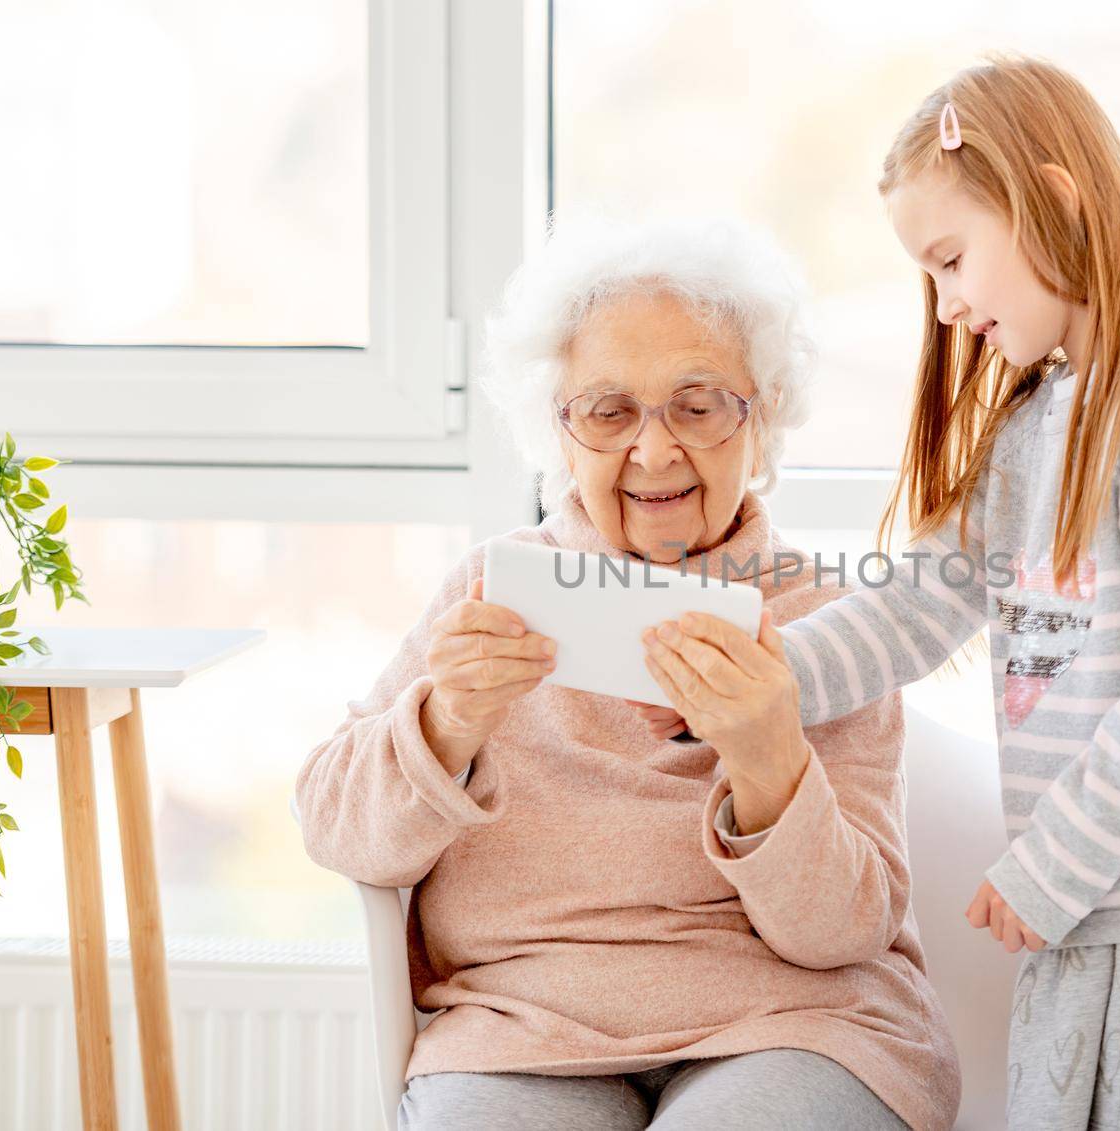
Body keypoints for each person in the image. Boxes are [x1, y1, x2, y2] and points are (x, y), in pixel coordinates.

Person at [637, 56, 1120, 1129]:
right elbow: (909, 611)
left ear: (1052, 199)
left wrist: (1053, 862)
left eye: (952, 259)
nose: (950, 305)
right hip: (1078, 929)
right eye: (931, 277)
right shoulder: (1028, 432)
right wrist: (753, 684)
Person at [296, 218, 959, 1130]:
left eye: (699, 405)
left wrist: (769, 760)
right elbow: (338, 831)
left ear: (759, 419)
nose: (653, 453)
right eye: (610, 412)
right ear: (557, 431)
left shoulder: (827, 620)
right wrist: (445, 723)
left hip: (798, 1027)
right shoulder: (492, 591)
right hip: (519, 1031)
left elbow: (844, 932)